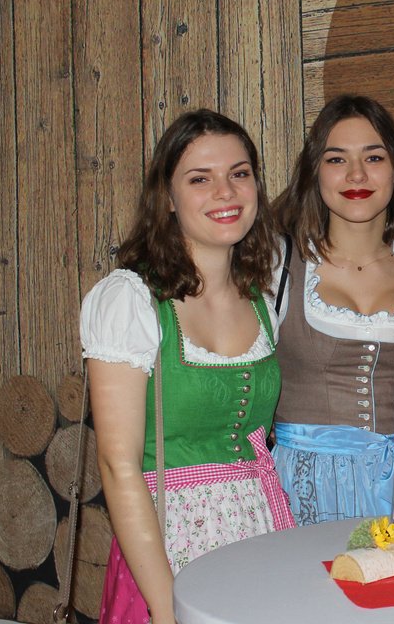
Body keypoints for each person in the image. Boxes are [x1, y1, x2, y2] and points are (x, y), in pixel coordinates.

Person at [81, 109, 293, 624]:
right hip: (168, 546)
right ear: (168, 198)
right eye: (200, 179)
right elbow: (118, 465)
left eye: (239, 173)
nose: (225, 192)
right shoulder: (130, 300)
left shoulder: (262, 295)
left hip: (258, 531)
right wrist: (166, 605)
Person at [271, 94, 394, 524]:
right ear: (315, 171)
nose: (357, 174)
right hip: (302, 486)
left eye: (374, 157)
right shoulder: (278, 265)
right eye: (336, 159)